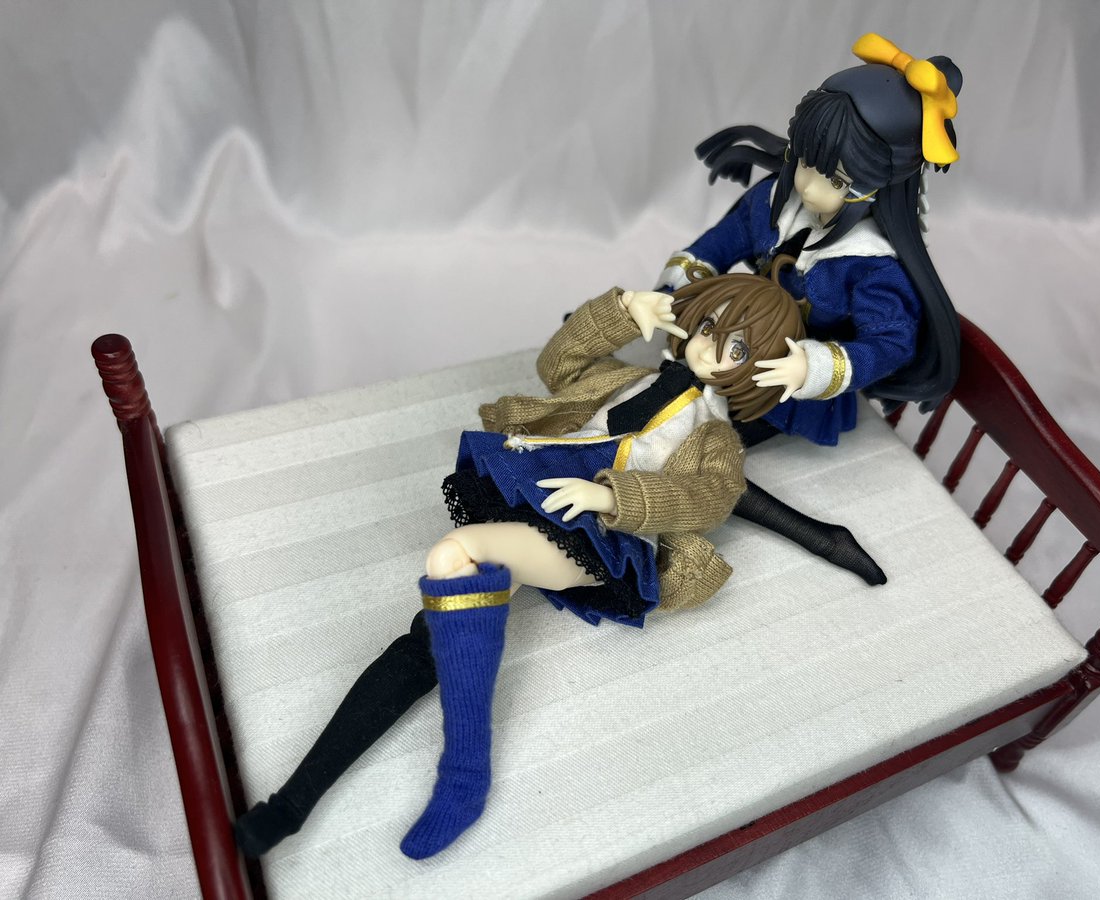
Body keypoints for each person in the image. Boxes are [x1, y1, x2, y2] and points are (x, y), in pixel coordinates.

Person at [236, 259, 807, 860]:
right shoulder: (628, 377)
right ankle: (291, 805)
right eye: (710, 325)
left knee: (454, 553)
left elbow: (710, 496)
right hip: (537, 489)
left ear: (762, 371)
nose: (712, 346)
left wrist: (615, 496)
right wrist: (620, 312)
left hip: (600, 536)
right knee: (429, 639)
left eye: (738, 348)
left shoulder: (715, 437)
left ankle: (463, 773)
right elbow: (558, 365)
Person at [658, 32, 963, 449]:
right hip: (730, 333)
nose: (807, 185)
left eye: (836, 179)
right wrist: (673, 293)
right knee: (667, 387)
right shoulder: (773, 203)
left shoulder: (871, 265)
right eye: (805, 162)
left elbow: (889, 344)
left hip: (784, 383)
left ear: (879, 188)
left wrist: (810, 368)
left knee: (701, 435)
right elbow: (717, 246)